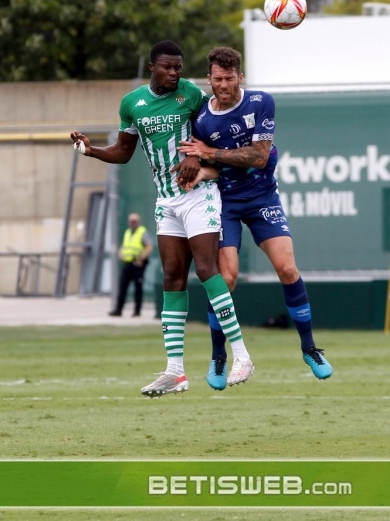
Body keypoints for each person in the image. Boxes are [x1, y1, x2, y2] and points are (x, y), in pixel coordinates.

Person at [70, 40, 254, 398]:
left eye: (179, 68)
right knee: (171, 276)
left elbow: (210, 141)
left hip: (198, 195)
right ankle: (175, 371)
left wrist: (200, 162)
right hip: (166, 201)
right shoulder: (132, 103)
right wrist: (91, 150)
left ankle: (242, 355)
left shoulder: (193, 96)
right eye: (167, 67)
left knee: (206, 270)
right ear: (153, 67)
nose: (174, 73)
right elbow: (123, 152)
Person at [178, 46, 332, 391]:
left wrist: (210, 153)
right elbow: (208, 163)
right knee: (227, 278)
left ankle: (310, 348)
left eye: (230, 78)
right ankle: (219, 356)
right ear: (210, 79)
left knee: (288, 269)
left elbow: (259, 157)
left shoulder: (261, 102)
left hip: (262, 197)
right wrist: (201, 171)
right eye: (217, 79)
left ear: (240, 77)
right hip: (225, 202)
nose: (224, 85)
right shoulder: (201, 118)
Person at [109, 213, 153, 318]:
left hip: (138, 264)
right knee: (123, 287)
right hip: (127, 263)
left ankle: (137, 311)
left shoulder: (142, 232)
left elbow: (149, 246)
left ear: (138, 222)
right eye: (131, 221)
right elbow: (124, 246)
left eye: (135, 221)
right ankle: (118, 309)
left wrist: (141, 258)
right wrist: (120, 254)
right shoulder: (127, 232)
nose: (133, 223)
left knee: (138, 288)